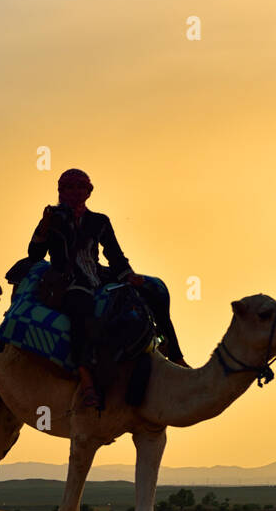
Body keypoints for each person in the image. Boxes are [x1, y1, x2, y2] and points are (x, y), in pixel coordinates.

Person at [11, 168, 187, 407]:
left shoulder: (99, 221)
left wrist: (129, 275)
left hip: (97, 274)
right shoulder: (53, 219)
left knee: (153, 290)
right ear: (61, 191)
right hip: (66, 279)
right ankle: (86, 379)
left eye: (80, 187)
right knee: (81, 309)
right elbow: (35, 254)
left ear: (89, 192)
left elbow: (114, 253)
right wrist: (43, 228)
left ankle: (175, 355)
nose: (75, 192)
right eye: (70, 187)